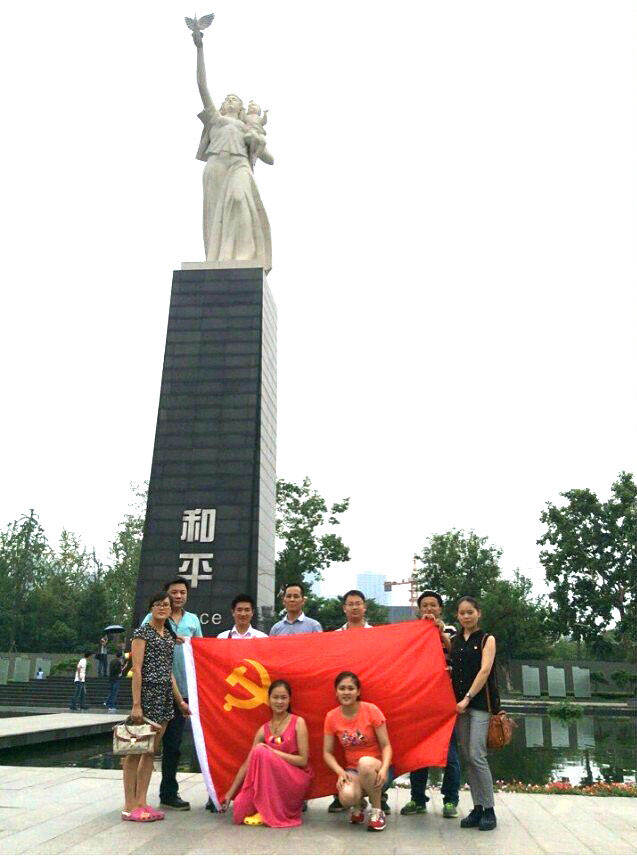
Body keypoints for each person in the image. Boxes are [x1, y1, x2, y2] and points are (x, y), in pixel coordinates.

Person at [191, 29, 273, 271]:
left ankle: (243, 256)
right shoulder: (215, 119)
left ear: (240, 109)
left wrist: (256, 140)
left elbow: (269, 159)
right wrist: (199, 49)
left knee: (239, 200)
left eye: (234, 99)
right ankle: (218, 258)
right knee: (215, 214)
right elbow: (202, 85)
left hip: (239, 165)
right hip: (216, 165)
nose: (229, 100)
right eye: (227, 98)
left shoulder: (247, 128)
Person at [123, 591, 191, 823]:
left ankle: (142, 801)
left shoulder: (168, 636)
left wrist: (180, 701)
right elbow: (137, 669)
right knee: (135, 751)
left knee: (151, 750)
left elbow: (168, 672)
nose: (162, 608)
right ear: (150, 608)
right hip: (146, 696)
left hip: (164, 697)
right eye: (158, 604)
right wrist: (136, 705)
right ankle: (129, 805)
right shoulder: (142, 633)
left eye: (166, 605)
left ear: (171, 609)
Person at [142, 577, 203, 811]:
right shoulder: (152, 618)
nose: (178, 596)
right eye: (174, 592)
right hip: (156, 690)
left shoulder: (193, 620)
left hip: (184, 691)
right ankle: (136, 796)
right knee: (148, 744)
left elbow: (201, 651)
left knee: (174, 744)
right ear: (165, 595)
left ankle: (168, 792)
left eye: (182, 592)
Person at [401, 590, 460, 818]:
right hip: (420, 702)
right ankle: (417, 799)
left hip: (446, 702)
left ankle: (450, 800)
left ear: (440, 608)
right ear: (419, 610)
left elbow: (458, 655)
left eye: (433, 605)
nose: (429, 609)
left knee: (449, 753)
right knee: (419, 752)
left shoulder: (452, 631)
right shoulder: (411, 632)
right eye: (424, 605)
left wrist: (440, 633)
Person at [221, 679, 313, 827]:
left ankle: (271, 810)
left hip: (294, 779)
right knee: (239, 809)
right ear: (269, 700)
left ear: (289, 700)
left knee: (260, 750)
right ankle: (264, 804)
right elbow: (247, 763)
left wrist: (272, 752)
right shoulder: (263, 730)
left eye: (283, 697)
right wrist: (229, 793)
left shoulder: (298, 722)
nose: (279, 701)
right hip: (270, 783)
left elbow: (303, 760)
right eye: (275, 697)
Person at [329, 590, 386, 815]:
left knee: (372, 743)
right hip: (346, 692)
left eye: (358, 603)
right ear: (344, 608)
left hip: (370, 692)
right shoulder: (334, 636)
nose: (354, 607)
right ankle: (352, 797)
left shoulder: (375, 635)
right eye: (350, 604)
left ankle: (380, 798)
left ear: (365, 607)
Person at [450, 595, 499, 832]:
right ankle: (477, 807)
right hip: (459, 706)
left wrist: (467, 698)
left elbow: (485, 671)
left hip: (478, 704)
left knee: (477, 755)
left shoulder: (487, 639)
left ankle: (489, 810)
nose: (466, 616)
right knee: (467, 757)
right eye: (462, 613)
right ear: (457, 616)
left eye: (470, 612)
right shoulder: (455, 641)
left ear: (478, 613)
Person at [323, 671, 393, 833]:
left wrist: (384, 769)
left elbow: (386, 746)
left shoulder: (371, 710)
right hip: (353, 771)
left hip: (377, 769)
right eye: (342, 688)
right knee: (346, 797)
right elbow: (327, 752)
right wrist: (340, 772)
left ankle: (377, 812)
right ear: (336, 692)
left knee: (365, 763)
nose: (346, 692)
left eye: (351, 688)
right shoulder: (331, 717)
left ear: (358, 691)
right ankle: (358, 804)